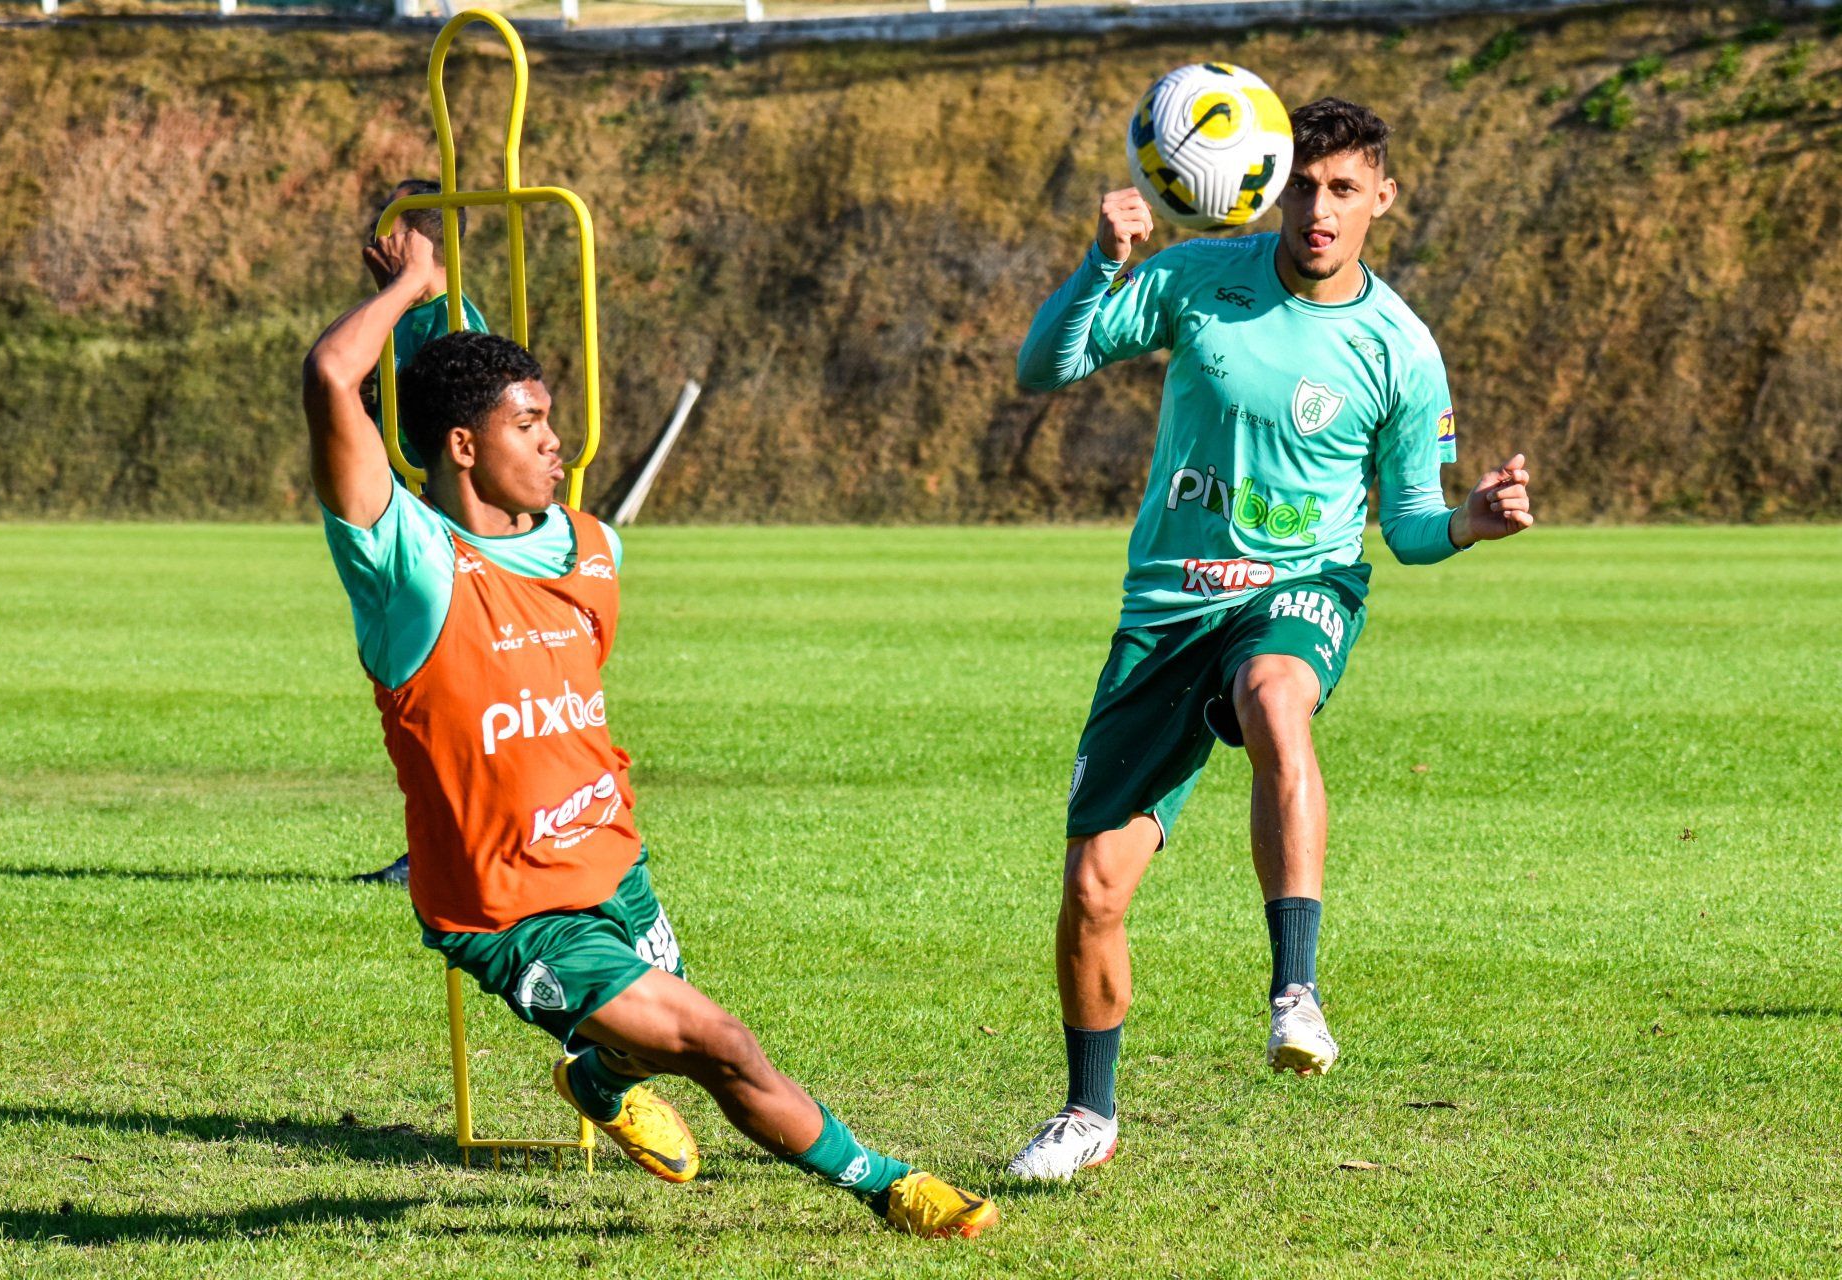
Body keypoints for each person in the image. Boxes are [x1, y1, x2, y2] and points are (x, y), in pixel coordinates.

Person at [301, 225, 1000, 1239]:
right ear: (463, 446)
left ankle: (595, 1080)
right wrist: (413, 285)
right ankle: (890, 1184)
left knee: (652, 1041)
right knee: (720, 1042)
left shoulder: (591, 549)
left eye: (552, 418)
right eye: (529, 423)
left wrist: (440, 315)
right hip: (512, 912)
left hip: (614, 859)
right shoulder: (406, 564)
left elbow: (463, 390)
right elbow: (332, 374)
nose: (555, 441)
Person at [1004, 98, 1536, 1181]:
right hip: (1166, 606)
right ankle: (1089, 1112)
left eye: (1345, 189)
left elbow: (1410, 525)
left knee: (1276, 691)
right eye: (1303, 184)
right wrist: (1099, 265)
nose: (1320, 209)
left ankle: (1296, 985)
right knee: (1095, 890)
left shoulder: (1401, 349)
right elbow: (1043, 367)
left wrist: (1469, 523)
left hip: (1300, 586)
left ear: (1383, 198)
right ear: (1269, 185)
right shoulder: (1200, 277)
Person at [353, 177, 490, 887]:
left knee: (446, 693)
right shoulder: (403, 311)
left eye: (399, 223)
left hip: (439, 524)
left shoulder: (452, 317)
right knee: (411, 698)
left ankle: (455, 847)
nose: (379, 236)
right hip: (401, 513)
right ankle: (435, 843)